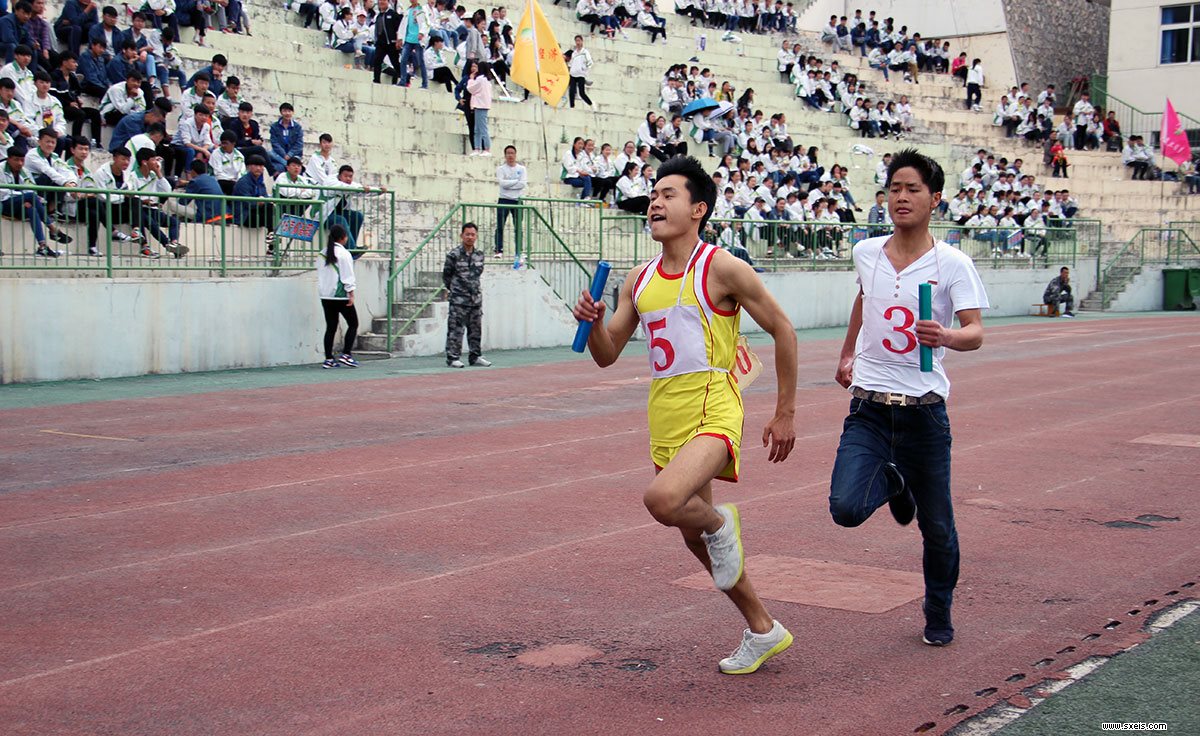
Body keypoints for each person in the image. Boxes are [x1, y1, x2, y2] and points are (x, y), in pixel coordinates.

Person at [572, 155, 798, 675]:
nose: (654, 202)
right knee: (699, 541)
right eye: (653, 194)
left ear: (698, 209)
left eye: (668, 194)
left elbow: (783, 329)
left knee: (664, 500)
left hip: (714, 407)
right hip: (665, 417)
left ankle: (722, 523)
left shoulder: (721, 267)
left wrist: (785, 411)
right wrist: (595, 323)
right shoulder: (638, 279)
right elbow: (607, 354)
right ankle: (763, 628)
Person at [830, 148, 988, 649]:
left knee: (937, 526)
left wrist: (947, 336)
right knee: (845, 508)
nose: (900, 197)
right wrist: (847, 352)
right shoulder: (866, 252)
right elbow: (863, 298)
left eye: (912, 189)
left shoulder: (953, 263)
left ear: (934, 199)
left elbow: (975, 332)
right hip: (870, 407)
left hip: (924, 413)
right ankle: (895, 482)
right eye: (894, 188)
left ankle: (938, 610)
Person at [443, 221, 491, 368]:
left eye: (473, 234)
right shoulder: (454, 255)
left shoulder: (479, 255)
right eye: (467, 234)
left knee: (475, 329)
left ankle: (475, 357)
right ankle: (453, 358)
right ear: (462, 236)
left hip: (475, 299)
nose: (470, 237)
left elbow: (477, 275)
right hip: (459, 299)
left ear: (476, 236)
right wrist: (455, 290)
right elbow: (447, 276)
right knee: (456, 329)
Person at [317, 224, 360, 369]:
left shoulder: (322, 253)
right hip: (340, 295)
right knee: (353, 323)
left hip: (325, 295)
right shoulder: (344, 254)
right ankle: (346, 354)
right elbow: (347, 276)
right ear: (343, 237)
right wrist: (351, 292)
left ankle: (328, 359)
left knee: (331, 327)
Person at [495, 143, 525, 258]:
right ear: (505, 155)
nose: (510, 155)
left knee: (518, 227)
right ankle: (498, 249)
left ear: (515, 155)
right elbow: (502, 183)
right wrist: (516, 181)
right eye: (508, 153)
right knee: (500, 226)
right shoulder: (501, 169)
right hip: (504, 199)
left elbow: (522, 184)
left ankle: (519, 251)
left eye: (512, 153)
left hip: (517, 200)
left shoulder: (521, 169)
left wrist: (509, 184)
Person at [465, 63, 491, 156]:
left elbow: (471, 89)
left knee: (482, 128)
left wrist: (471, 79)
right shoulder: (487, 81)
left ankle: (486, 149)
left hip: (480, 105)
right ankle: (477, 148)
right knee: (477, 129)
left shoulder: (480, 80)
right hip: (482, 105)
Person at [567, 35, 592, 108]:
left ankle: (591, 104)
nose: (577, 42)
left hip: (581, 75)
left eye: (579, 40)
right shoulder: (574, 53)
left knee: (582, 93)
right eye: (576, 41)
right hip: (573, 74)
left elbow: (589, 62)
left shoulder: (585, 52)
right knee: (571, 91)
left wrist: (584, 69)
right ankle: (572, 106)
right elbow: (570, 64)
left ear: (582, 41)